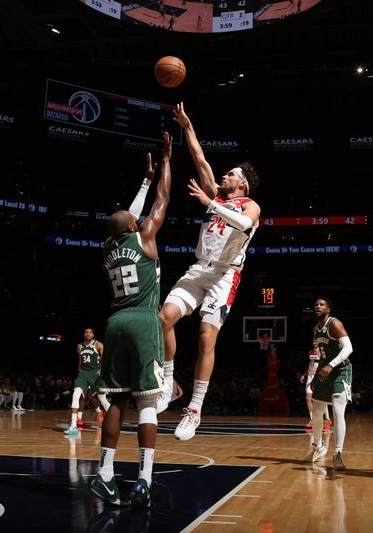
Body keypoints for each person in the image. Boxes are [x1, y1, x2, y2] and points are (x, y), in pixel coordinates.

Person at [157, 102, 261, 442]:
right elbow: (200, 156)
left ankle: (194, 409)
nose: (224, 177)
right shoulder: (215, 192)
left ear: (242, 184)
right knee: (163, 319)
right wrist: (187, 125)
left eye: (231, 174)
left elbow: (245, 224)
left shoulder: (248, 204)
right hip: (198, 269)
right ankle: (170, 384)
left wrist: (210, 203)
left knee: (205, 336)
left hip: (225, 275)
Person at [91, 132, 172, 508]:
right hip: (142, 320)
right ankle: (144, 480)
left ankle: (105, 474)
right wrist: (166, 165)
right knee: (149, 403)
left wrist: (144, 179)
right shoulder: (145, 237)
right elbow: (162, 201)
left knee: (117, 403)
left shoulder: (108, 248)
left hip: (114, 322)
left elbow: (130, 214)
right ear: (133, 227)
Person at [305, 298, 353, 469]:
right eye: (316, 304)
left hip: (341, 371)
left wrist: (331, 365)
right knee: (317, 412)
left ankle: (338, 453)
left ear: (329, 309)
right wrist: (315, 376)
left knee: (338, 412)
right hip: (325, 372)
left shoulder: (335, 324)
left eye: (322, 304)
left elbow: (348, 348)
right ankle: (318, 447)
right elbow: (320, 355)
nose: (318, 306)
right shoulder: (315, 330)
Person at [64, 328, 108, 436]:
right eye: (86, 332)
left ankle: (115, 418)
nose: (88, 333)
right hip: (83, 374)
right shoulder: (80, 346)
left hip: (95, 374)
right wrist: (79, 369)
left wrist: (101, 369)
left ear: (93, 335)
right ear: (84, 334)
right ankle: (74, 425)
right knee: (76, 395)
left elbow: (105, 357)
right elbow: (80, 359)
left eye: (90, 332)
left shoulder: (98, 345)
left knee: (103, 399)